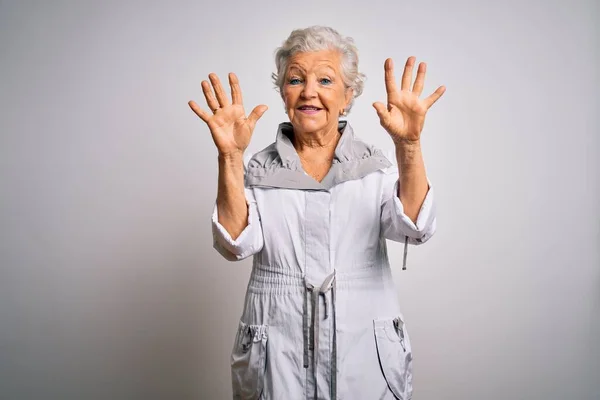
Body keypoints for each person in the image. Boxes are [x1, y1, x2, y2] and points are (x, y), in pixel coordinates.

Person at [188, 26, 445, 400]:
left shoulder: (374, 166)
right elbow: (234, 245)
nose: (309, 91)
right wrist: (229, 156)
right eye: (296, 79)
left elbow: (416, 227)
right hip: (277, 349)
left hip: (364, 347)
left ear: (348, 95)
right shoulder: (258, 170)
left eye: (325, 79)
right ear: (283, 93)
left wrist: (409, 144)